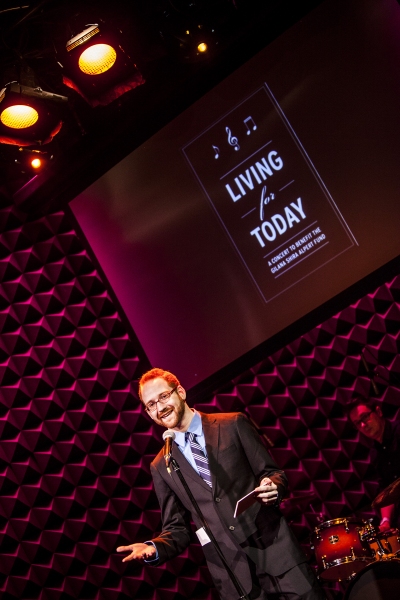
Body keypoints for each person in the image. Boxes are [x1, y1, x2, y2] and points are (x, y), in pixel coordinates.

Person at [117, 368, 326, 599]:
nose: (159, 408)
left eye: (163, 397)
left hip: (279, 556)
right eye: (150, 405)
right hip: (235, 577)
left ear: (181, 392)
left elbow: (273, 473)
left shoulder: (232, 424)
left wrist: (273, 487)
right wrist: (154, 548)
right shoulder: (161, 464)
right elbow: (177, 528)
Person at [347, 397, 400, 531]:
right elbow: (387, 491)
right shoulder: (375, 453)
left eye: (364, 417)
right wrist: (386, 521)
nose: (363, 425)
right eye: (358, 423)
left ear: (378, 411)